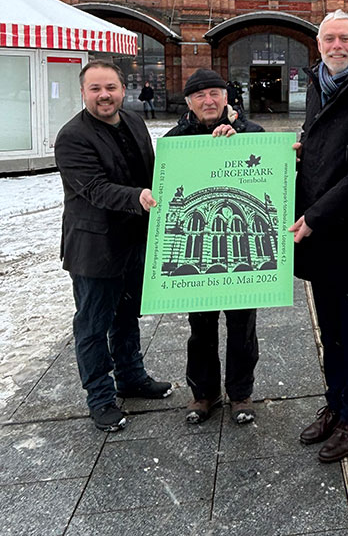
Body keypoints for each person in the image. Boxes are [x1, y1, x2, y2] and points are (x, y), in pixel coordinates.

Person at [54, 61, 173, 431]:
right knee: (92, 324)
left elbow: (154, 169)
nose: (104, 95)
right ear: (83, 92)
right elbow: (94, 188)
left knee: (127, 314)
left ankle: (131, 376)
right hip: (95, 248)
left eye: (111, 87)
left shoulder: (134, 121)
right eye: (95, 89)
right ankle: (101, 398)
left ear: (124, 89)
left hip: (134, 240)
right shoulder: (72, 136)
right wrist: (140, 196)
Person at [290, 11, 348, 461]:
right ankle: (335, 402)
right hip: (318, 230)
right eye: (329, 38)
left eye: (345, 38)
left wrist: (316, 215)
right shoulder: (319, 82)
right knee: (330, 329)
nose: (337, 45)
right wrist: (302, 150)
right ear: (319, 44)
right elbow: (324, 143)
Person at [165, 68, 264, 425]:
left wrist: (238, 143)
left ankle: (241, 393)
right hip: (197, 250)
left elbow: (268, 176)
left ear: (226, 97)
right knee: (201, 327)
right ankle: (203, 393)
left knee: (242, 328)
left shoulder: (251, 133)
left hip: (241, 251)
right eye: (200, 95)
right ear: (189, 102)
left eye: (214, 93)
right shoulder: (175, 139)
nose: (209, 101)